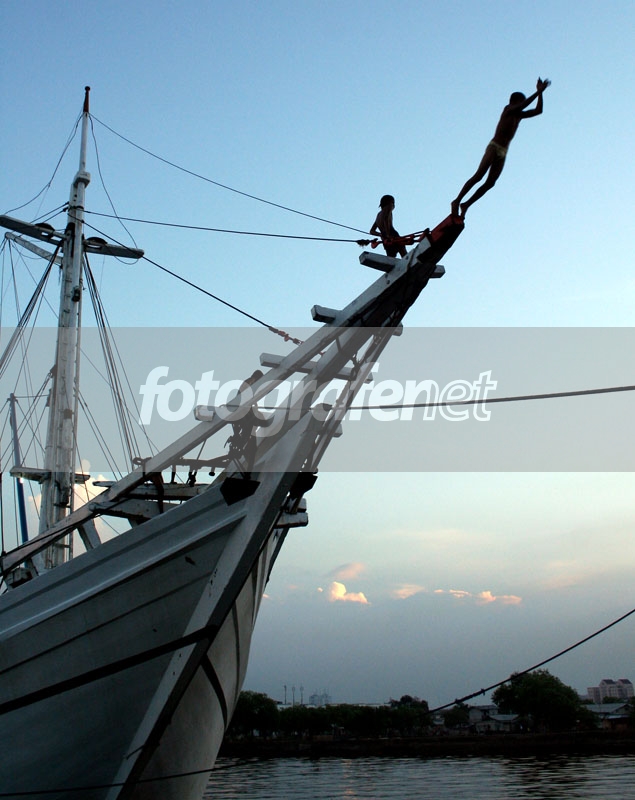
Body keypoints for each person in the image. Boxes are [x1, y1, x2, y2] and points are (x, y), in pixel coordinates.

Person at [451, 78, 551, 218]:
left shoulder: (519, 115)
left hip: (503, 151)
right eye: (521, 102)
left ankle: (466, 204)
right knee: (479, 175)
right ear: (515, 101)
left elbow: (538, 110)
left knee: (490, 183)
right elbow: (523, 105)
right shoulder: (508, 109)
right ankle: (456, 201)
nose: (522, 105)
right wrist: (538, 91)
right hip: (494, 146)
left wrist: (540, 93)